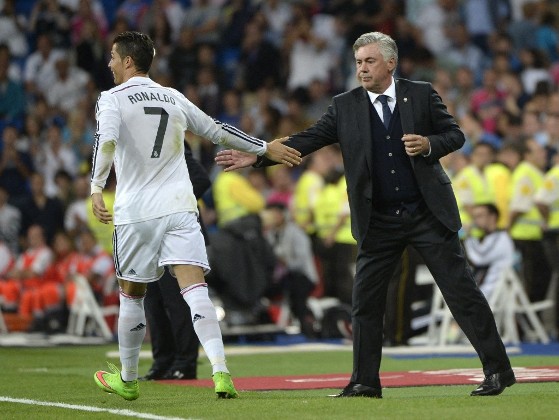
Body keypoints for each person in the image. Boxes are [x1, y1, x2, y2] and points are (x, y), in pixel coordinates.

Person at [216, 31, 515, 398]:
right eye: (358, 62)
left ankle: (498, 371)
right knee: (365, 303)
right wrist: (259, 155)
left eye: (369, 61)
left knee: (461, 293)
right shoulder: (345, 105)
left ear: (391, 63)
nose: (362, 69)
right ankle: (364, 381)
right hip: (378, 220)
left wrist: (429, 144)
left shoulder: (421, 93)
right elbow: (309, 138)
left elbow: (455, 135)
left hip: (427, 214)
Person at [90, 31, 300, 401]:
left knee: (132, 296)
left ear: (127, 61)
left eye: (112, 56)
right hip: (180, 208)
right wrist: (264, 147)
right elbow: (217, 131)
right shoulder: (172, 96)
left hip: (136, 212)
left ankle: (128, 379)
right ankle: (221, 372)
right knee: (195, 291)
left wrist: (95, 186)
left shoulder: (112, 98)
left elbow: (105, 141)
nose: (109, 63)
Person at [140, 141, 210, 381]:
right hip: (150, 234)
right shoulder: (136, 147)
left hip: (177, 235)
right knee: (154, 302)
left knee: (177, 301)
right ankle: (163, 361)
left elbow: (200, 179)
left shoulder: (168, 139)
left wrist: (170, 208)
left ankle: (185, 363)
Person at [464, 203, 516, 300]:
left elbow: (478, 259)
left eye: (480, 216)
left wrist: (469, 237)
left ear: (492, 217)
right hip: (483, 291)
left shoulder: (501, 238)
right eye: (474, 217)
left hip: (490, 294)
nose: (475, 220)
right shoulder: (490, 238)